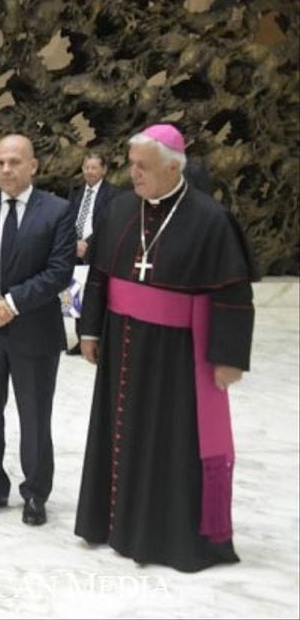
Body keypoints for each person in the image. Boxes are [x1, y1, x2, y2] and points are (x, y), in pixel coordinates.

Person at [75, 124, 255, 572]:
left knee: (169, 440)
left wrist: (228, 358)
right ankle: (112, 525)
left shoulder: (210, 218)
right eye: (132, 165)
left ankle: (165, 535)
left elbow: (233, 293)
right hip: (121, 344)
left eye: (144, 167)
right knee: (118, 433)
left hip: (178, 354)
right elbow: (99, 275)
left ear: (174, 166)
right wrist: (90, 331)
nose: (134, 175)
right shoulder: (118, 209)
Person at [0, 134, 75, 527]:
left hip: (34, 332)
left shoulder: (57, 211)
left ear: (33, 166)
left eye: (15, 162)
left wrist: (14, 303)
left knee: (34, 417)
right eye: (1, 162)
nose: (6, 169)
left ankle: (35, 493)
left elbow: (59, 270)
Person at [65, 153, 118, 355]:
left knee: (95, 296)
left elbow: (110, 224)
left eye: (94, 168)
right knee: (74, 296)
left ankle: (97, 339)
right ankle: (80, 338)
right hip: (73, 251)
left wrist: (87, 243)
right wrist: (73, 242)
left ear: (104, 170)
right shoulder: (76, 191)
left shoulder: (113, 194)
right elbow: (67, 219)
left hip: (97, 251)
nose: (90, 172)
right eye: (86, 167)